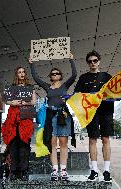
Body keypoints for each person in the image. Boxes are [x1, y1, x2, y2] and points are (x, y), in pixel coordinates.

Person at [29, 53, 76, 181]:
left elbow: (74, 75)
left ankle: (64, 171)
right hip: (51, 116)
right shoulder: (47, 87)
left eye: (57, 73)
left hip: (63, 115)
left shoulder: (65, 86)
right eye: (53, 74)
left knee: (63, 143)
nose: (55, 75)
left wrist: (71, 59)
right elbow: (36, 78)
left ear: (60, 75)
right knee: (52, 143)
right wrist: (31, 63)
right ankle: (55, 170)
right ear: (51, 77)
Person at [74, 50, 114, 182]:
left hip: (106, 110)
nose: (92, 63)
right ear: (87, 63)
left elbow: (116, 90)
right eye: (90, 61)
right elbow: (76, 95)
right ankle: (94, 170)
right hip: (90, 112)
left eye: (95, 60)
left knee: (106, 139)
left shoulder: (107, 76)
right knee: (92, 139)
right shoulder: (83, 78)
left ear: (99, 61)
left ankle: (107, 171)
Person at [1, 66, 36, 181]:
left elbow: (34, 101)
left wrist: (24, 102)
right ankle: (14, 171)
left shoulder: (30, 87)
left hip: (25, 118)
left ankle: (23, 171)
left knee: (24, 146)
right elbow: (5, 100)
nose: (21, 74)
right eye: (19, 72)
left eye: (23, 72)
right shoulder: (12, 87)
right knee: (13, 146)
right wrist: (14, 102)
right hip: (13, 118)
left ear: (25, 74)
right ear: (17, 74)